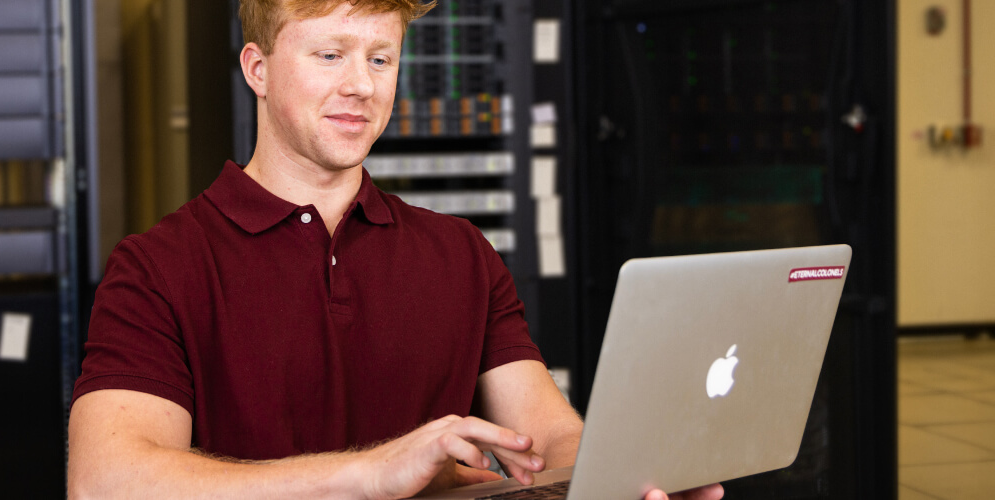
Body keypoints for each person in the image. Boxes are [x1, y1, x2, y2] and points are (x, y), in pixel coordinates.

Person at [66, 1, 725, 499]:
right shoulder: (158, 267)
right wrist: (372, 472)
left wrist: (620, 478)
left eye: (381, 59)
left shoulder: (461, 254)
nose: (361, 85)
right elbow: (105, 481)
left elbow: (548, 438)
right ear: (257, 69)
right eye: (331, 55)